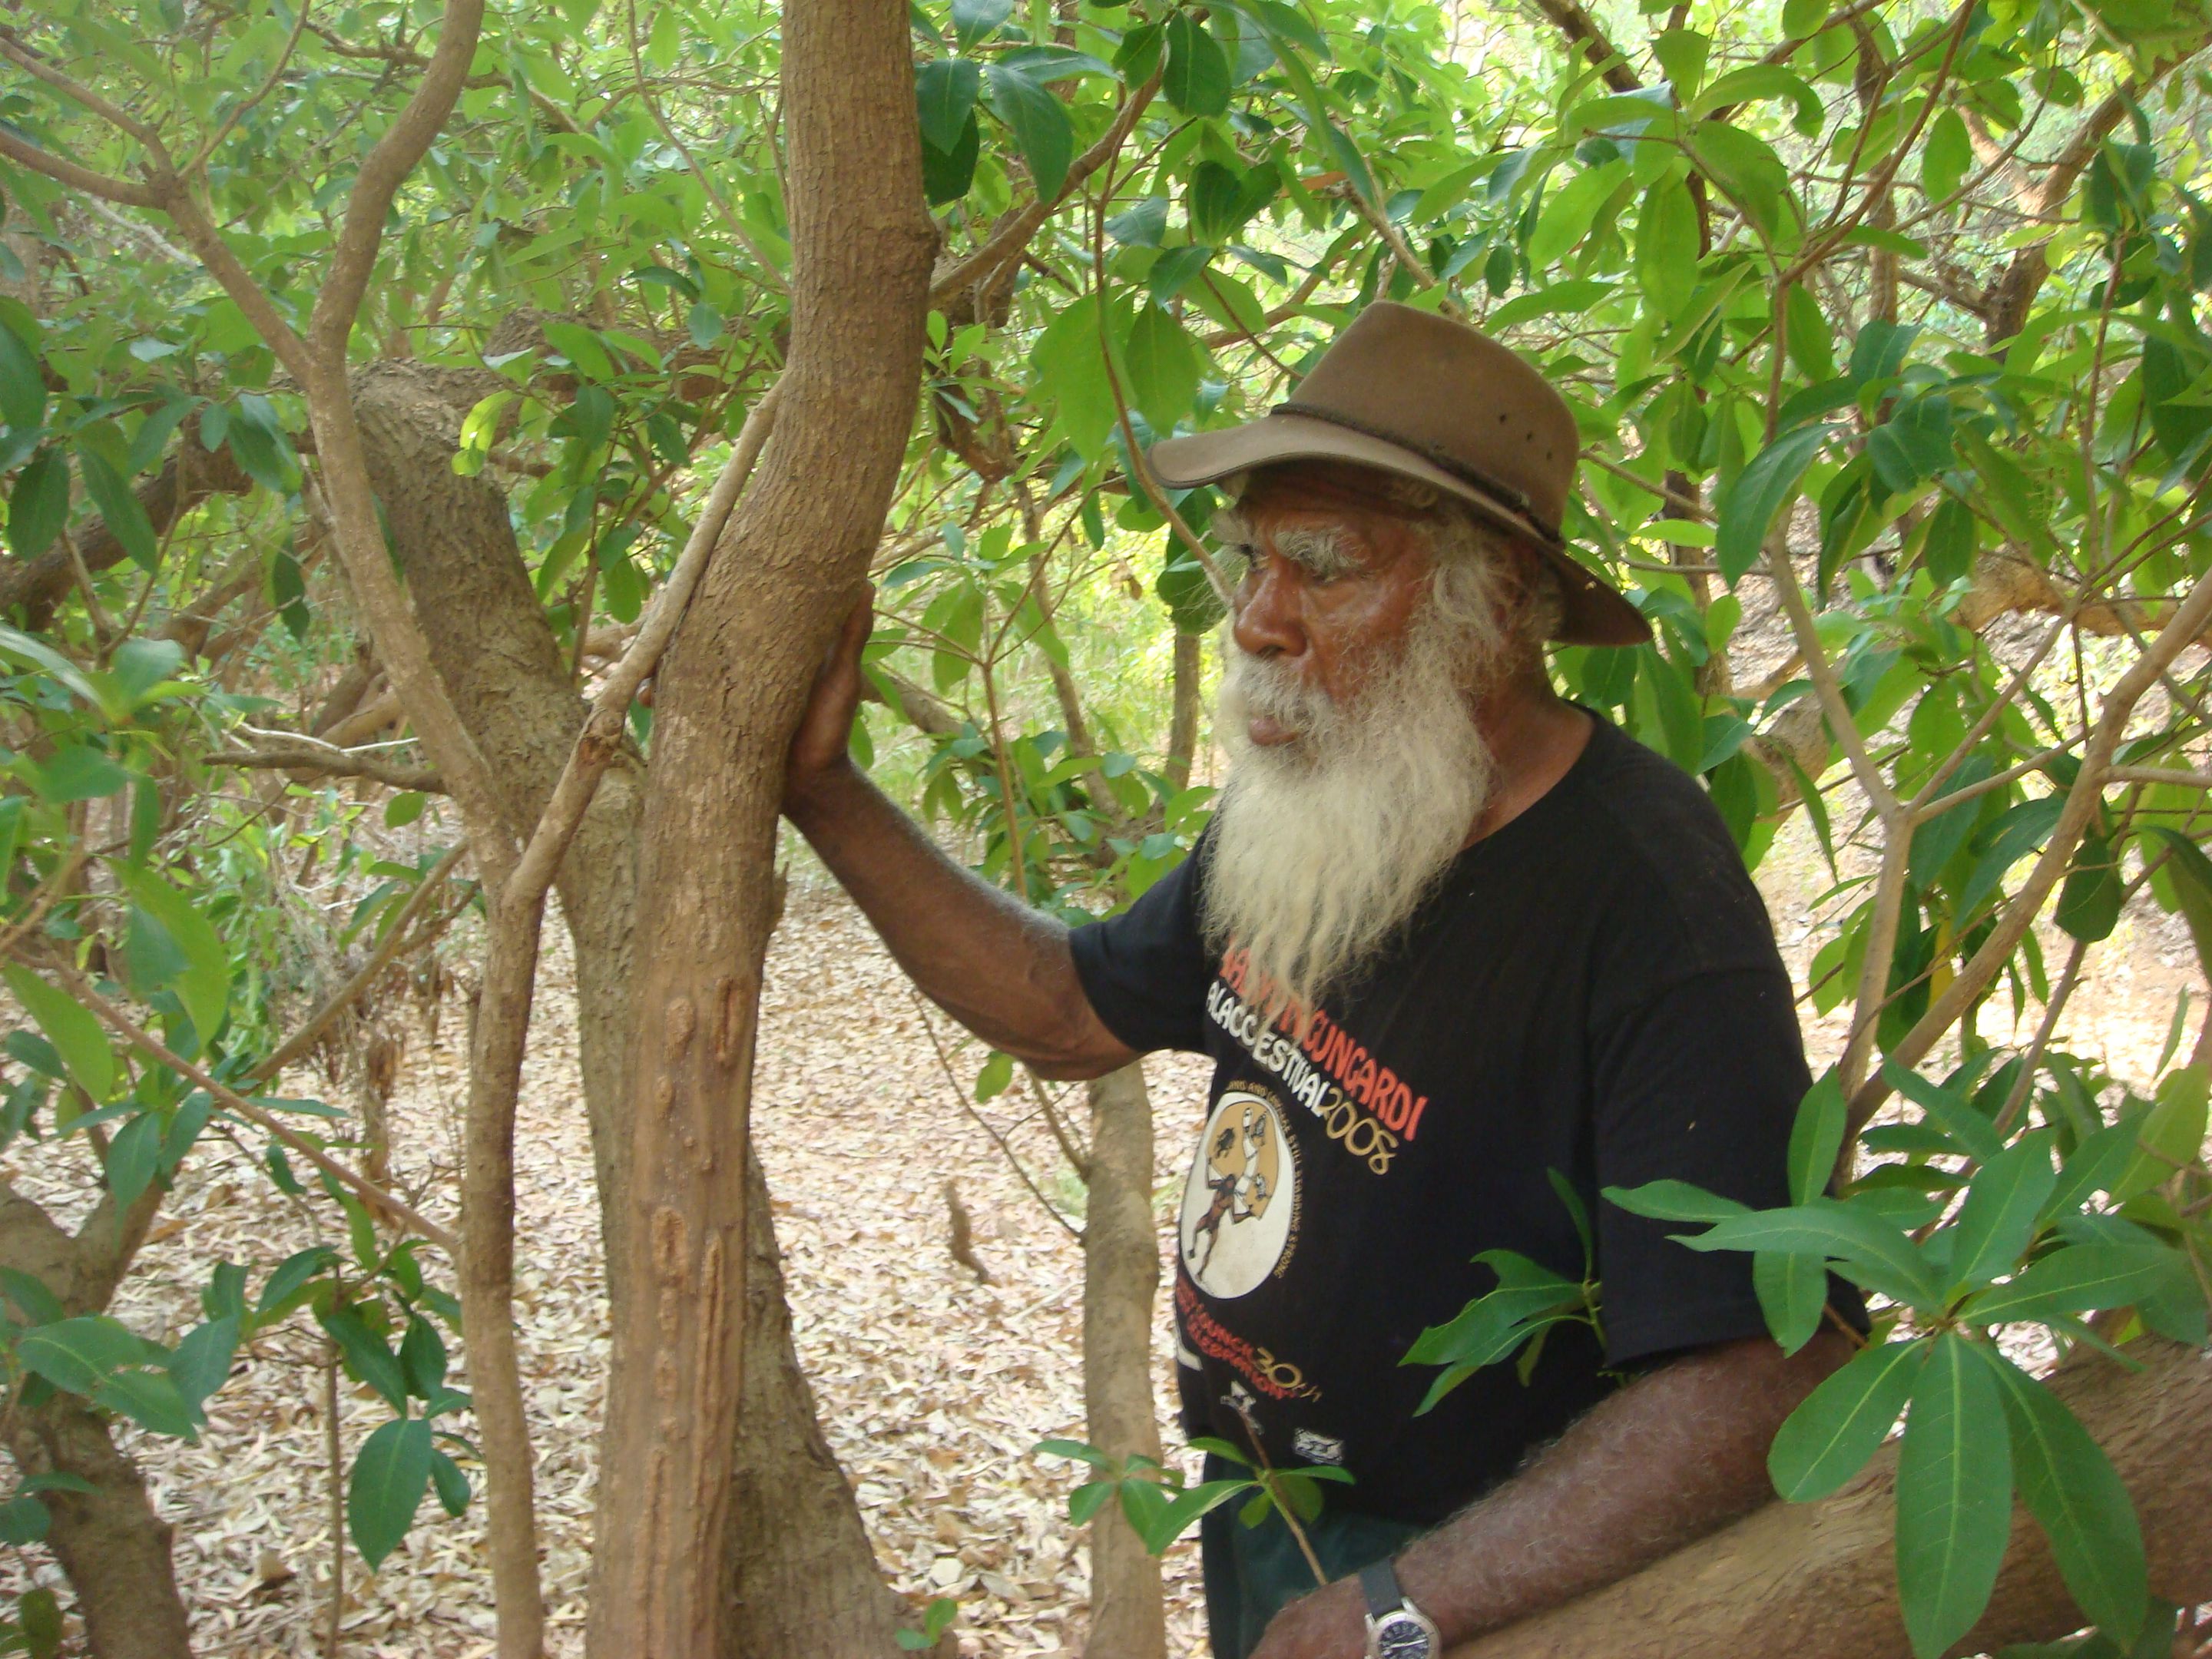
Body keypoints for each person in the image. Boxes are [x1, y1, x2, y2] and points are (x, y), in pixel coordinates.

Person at [782, 302, 1859, 1659]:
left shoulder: (1643, 895)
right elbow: (1065, 1010)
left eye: (1324, 569)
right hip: (1271, 1514)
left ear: (1502, 600)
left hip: (1500, 1578)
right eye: (1250, 562)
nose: (1257, 622)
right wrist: (822, 791)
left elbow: (1764, 1366)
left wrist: (1410, 1606)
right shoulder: (1328, 805)